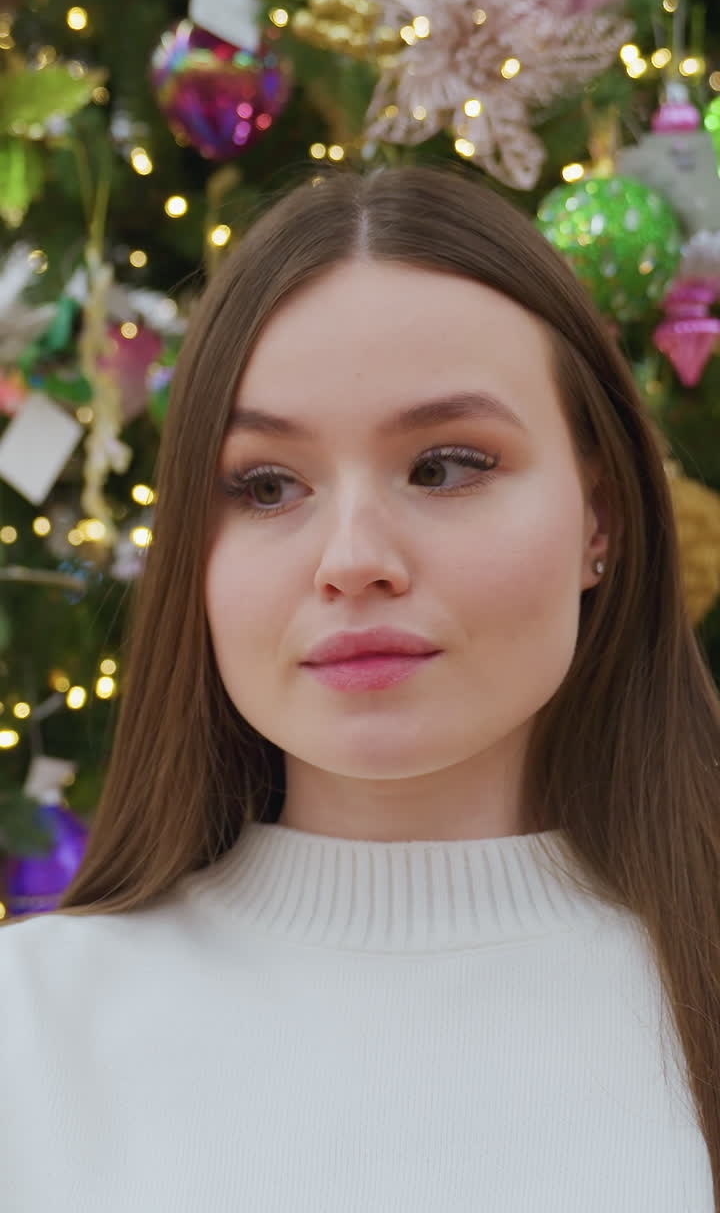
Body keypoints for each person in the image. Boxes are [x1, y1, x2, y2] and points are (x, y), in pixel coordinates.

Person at [1, 163, 719, 1212]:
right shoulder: (29, 1034)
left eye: (444, 466)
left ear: (597, 520)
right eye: (266, 485)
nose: (353, 558)